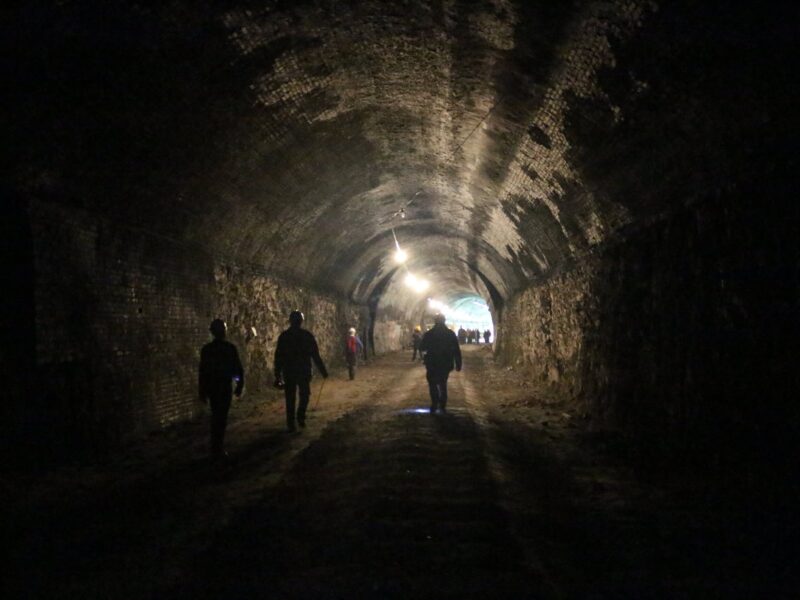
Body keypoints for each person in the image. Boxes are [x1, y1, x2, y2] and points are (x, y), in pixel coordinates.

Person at [274, 310, 329, 431]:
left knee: (290, 397)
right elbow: (315, 355)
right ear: (301, 321)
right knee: (304, 395)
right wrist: (323, 370)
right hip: (303, 371)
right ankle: (300, 417)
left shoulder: (284, 336)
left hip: (289, 371)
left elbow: (278, 357)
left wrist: (277, 374)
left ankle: (291, 422)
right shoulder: (307, 336)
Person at [199, 319, 244, 459]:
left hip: (213, 387)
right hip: (224, 387)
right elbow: (237, 369)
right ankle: (217, 447)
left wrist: (202, 389)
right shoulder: (229, 348)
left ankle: (215, 446)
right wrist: (238, 384)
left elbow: (203, 372)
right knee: (221, 416)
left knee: (215, 415)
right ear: (224, 331)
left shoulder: (207, 350)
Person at [419, 313, 462, 413]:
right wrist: (458, 363)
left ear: (435, 321)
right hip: (445, 363)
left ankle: (434, 402)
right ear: (444, 321)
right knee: (443, 383)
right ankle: (442, 404)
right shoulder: (450, 334)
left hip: (432, 363)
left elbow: (422, 347)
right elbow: (456, 350)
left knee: (432, 383)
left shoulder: (429, 334)